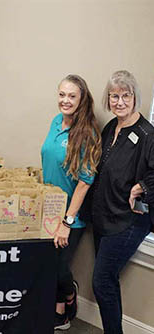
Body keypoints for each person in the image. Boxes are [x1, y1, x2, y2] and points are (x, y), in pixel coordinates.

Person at [82, 70, 153, 334]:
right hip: (104, 215)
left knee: (101, 281)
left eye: (126, 95)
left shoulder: (147, 135)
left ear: (135, 98)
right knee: (107, 281)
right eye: (114, 96)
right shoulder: (112, 126)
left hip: (128, 219)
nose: (119, 101)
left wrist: (142, 186)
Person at [41, 74, 101, 330]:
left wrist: (67, 220)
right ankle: (59, 310)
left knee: (59, 267)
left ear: (82, 99)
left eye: (72, 96)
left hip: (69, 215)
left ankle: (68, 298)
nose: (65, 100)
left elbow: (85, 182)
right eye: (62, 94)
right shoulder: (56, 121)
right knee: (46, 264)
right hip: (47, 209)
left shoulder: (86, 134)